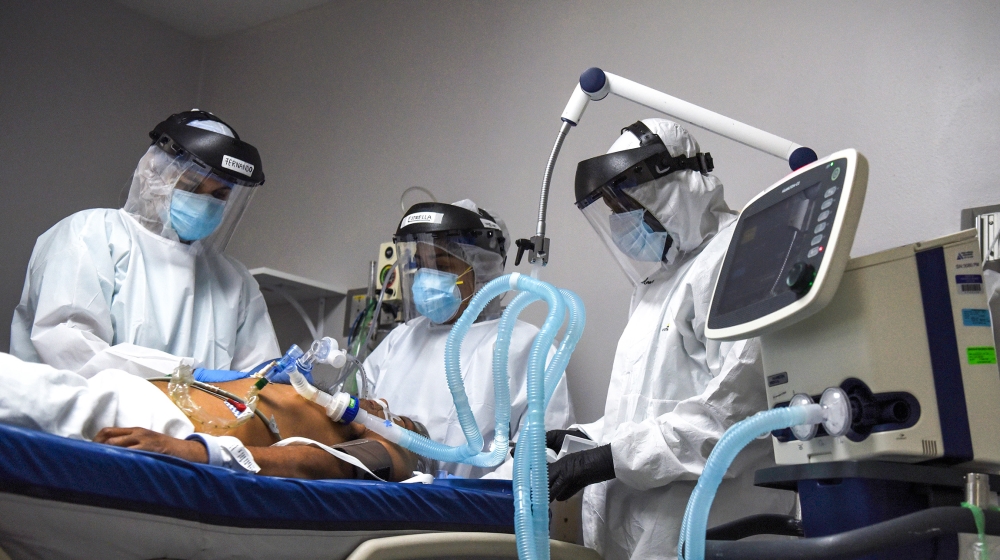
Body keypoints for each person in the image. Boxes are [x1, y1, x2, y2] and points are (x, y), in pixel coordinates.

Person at [545, 119, 795, 559]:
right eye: (612, 210)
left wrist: (607, 459)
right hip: (643, 531)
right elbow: (646, 409)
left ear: (670, 189)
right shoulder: (659, 283)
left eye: (625, 206)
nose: (621, 223)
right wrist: (581, 438)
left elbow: (736, 415)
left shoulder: (738, 257)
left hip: (711, 526)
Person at [11, 110, 280, 379]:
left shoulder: (234, 279)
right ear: (155, 175)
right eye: (192, 186)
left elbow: (259, 376)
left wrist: (281, 384)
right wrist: (187, 378)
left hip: (198, 409)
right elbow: (71, 351)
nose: (205, 203)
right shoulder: (91, 234)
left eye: (219, 194)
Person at [363, 200, 575, 478]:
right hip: (381, 495)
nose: (426, 278)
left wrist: (461, 497)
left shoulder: (528, 346)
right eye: (421, 265)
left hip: (474, 504)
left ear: (483, 269)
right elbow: (354, 415)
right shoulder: (400, 339)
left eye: (441, 265)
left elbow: (541, 454)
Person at [0, 351, 421, 481]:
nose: (378, 404)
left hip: (161, 426)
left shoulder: (393, 453)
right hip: (130, 392)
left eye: (393, 416)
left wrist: (195, 452)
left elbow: (314, 463)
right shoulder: (324, 404)